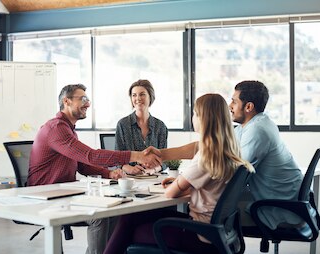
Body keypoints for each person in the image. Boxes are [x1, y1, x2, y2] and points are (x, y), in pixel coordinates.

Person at [104, 93, 254, 254]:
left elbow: (170, 193)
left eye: (195, 114)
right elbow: (208, 182)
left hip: (199, 235)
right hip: (216, 233)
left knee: (133, 228)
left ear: (203, 118)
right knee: (132, 217)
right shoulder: (227, 151)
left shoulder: (206, 157)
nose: (193, 118)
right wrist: (182, 180)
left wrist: (179, 182)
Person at [28, 84, 161, 254]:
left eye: (88, 99)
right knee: (98, 217)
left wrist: (108, 173)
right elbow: (91, 156)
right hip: (45, 195)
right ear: (66, 101)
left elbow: (82, 164)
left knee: (112, 211)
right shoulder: (57, 128)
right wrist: (135, 156)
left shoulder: (67, 129)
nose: (88, 104)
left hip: (63, 193)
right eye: (82, 99)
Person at [229, 80, 304, 229]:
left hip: (282, 210)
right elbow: (217, 144)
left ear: (249, 107)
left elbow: (234, 175)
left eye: (234, 102)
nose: (229, 106)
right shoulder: (255, 124)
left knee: (212, 214)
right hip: (284, 202)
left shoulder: (257, 130)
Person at [115, 79, 168, 175]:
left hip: (153, 177)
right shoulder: (123, 124)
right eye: (134, 95)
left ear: (150, 97)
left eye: (142, 94)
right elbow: (117, 159)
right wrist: (130, 169)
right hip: (129, 178)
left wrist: (153, 170)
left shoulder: (160, 126)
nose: (138, 98)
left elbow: (164, 159)